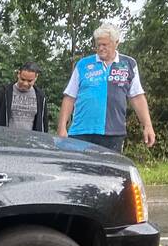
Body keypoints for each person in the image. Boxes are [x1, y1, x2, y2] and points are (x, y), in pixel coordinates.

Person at [57, 23, 156, 153]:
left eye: (105, 45)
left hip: (113, 132)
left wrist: (147, 125)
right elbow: (70, 96)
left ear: (116, 43)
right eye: (98, 45)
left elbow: (137, 96)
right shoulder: (83, 64)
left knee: (109, 172)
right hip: (81, 131)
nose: (101, 48)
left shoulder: (129, 64)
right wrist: (62, 126)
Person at [0, 63, 48, 132]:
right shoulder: (3, 92)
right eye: (22, 79)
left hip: (30, 141)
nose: (25, 83)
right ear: (18, 74)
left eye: (29, 81)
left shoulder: (40, 96)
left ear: (36, 77)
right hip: (5, 139)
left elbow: (43, 124)